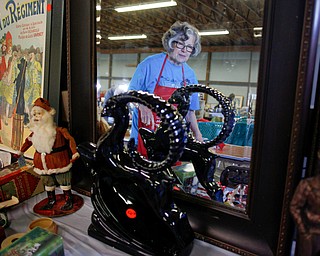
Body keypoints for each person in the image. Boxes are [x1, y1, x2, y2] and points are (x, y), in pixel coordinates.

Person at [128, 21, 203, 156]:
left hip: (172, 139)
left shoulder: (190, 74)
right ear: (171, 43)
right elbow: (131, 93)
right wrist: (141, 104)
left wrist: (198, 135)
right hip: (145, 135)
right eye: (180, 44)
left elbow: (189, 112)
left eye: (189, 47)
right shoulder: (149, 64)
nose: (184, 50)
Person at [16, 98, 79, 211]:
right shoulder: (35, 133)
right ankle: (51, 200)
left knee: (64, 180)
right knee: (47, 182)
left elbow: (70, 140)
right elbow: (28, 142)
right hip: (41, 163)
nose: (36, 117)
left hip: (59, 161)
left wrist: (74, 153)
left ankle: (68, 200)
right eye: (34, 114)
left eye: (39, 113)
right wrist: (21, 151)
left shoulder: (59, 131)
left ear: (47, 115)